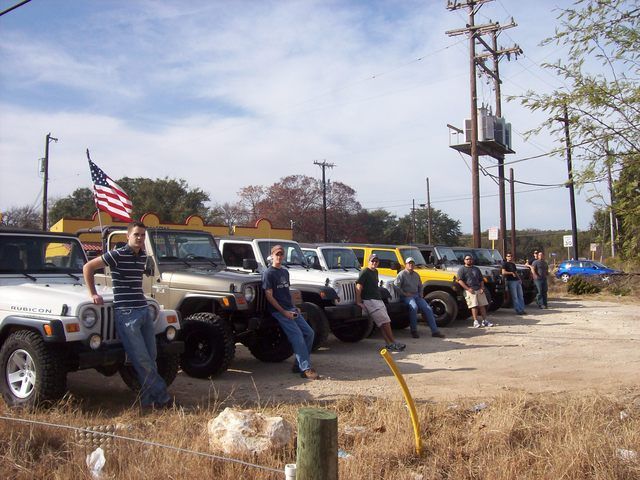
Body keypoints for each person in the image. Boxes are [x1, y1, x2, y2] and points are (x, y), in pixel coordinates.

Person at [83, 221, 174, 409]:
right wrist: (93, 293)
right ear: (128, 236)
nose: (140, 238)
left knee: (151, 356)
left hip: (143, 310)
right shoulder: (117, 255)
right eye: (136, 235)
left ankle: (148, 403)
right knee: (140, 358)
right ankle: (163, 398)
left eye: (142, 235)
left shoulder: (143, 256)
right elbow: (88, 267)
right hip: (126, 312)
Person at [262, 244, 319, 380]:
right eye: (277, 254)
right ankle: (305, 369)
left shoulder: (284, 272)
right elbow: (269, 295)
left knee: (309, 333)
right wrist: (283, 312)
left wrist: (294, 307)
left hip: (291, 309)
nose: (279, 257)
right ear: (272, 256)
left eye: (281, 254)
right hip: (279, 311)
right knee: (297, 336)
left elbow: (286, 292)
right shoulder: (268, 273)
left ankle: (299, 364)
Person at [356, 254, 406, 352]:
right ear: (368, 261)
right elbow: (358, 286)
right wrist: (358, 301)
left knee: (382, 323)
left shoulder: (375, 272)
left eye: (376, 261)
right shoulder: (365, 271)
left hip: (378, 300)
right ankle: (394, 342)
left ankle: (389, 344)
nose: (374, 263)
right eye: (372, 261)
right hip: (370, 301)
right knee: (386, 322)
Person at [395, 257, 445, 339]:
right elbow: (396, 286)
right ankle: (414, 331)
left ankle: (435, 331)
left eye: (412, 263)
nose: (411, 265)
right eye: (409, 263)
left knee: (428, 309)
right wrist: (404, 293)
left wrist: (421, 294)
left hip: (416, 295)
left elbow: (420, 286)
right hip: (407, 296)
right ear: (406, 265)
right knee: (414, 307)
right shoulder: (401, 274)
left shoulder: (416, 275)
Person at [457, 254, 493, 328]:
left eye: (470, 259)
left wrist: (482, 288)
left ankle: (485, 321)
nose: (469, 260)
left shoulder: (476, 269)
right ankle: (475, 321)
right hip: (470, 290)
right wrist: (468, 289)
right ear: (464, 260)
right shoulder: (462, 269)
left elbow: (481, 279)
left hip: (479, 289)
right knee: (474, 306)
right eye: (467, 259)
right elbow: (460, 281)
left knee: (482, 306)